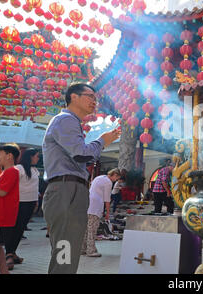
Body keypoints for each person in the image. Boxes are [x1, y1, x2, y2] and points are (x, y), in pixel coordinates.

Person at [42, 83, 121, 274]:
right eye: (90, 96)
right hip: (66, 189)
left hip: (68, 189)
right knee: (66, 249)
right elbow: (81, 154)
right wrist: (102, 141)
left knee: (66, 248)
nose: (94, 101)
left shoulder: (70, 122)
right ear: (73, 97)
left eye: (95, 98)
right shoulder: (66, 120)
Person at [4, 148, 40, 270]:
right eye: (36, 156)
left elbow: (35, 187)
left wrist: (36, 202)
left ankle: (12, 252)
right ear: (30, 156)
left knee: (21, 229)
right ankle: (8, 253)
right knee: (14, 228)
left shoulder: (35, 170)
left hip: (30, 203)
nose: (38, 158)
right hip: (18, 202)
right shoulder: (18, 169)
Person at [0, 144, 20, 274]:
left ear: (9, 156)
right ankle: (4, 271)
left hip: (1, 216)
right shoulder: (5, 173)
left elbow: (2, 192)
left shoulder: (12, 171)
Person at [82, 168, 121, 257]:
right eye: (117, 178)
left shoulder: (99, 177)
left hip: (87, 204)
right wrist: (107, 213)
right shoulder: (108, 182)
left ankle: (82, 249)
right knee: (92, 229)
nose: (116, 180)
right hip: (95, 207)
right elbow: (107, 199)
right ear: (114, 174)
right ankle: (91, 251)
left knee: (86, 229)